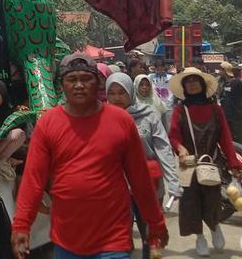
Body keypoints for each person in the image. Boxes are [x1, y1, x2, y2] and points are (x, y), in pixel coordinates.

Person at [11, 53, 167, 259]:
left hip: (113, 238)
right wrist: (22, 224)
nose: (79, 85)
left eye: (86, 79)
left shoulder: (121, 121)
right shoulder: (48, 124)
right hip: (66, 239)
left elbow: (140, 179)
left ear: (98, 83)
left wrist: (156, 222)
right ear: (62, 85)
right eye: (72, 79)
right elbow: (34, 179)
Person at [168, 67, 242, 257]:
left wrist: (234, 165)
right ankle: (199, 236)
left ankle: (215, 227)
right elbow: (173, 136)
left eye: (195, 80)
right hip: (189, 165)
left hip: (211, 163)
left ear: (202, 84)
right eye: (188, 81)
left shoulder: (216, 110)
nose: (192, 84)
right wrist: (180, 148)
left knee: (213, 200)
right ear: (184, 87)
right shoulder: (180, 110)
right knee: (191, 203)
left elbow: (225, 138)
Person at [106, 73, 180, 259]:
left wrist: (173, 182)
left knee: (150, 234)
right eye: (112, 93)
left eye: (121, 92)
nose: (116, 98)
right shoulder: (102, 117)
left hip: (147, 185)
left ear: (130, 92)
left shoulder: (149, 115)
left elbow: (163, 148)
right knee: (119, 236)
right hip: (116, 187)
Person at [217, 62, 242, 144]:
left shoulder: (237, 83)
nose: (219, 72)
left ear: (225, 70)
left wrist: (234, 103)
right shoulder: (222, 83)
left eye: (221, 69)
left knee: (237, 139)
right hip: (226, 117)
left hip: (236, 117)